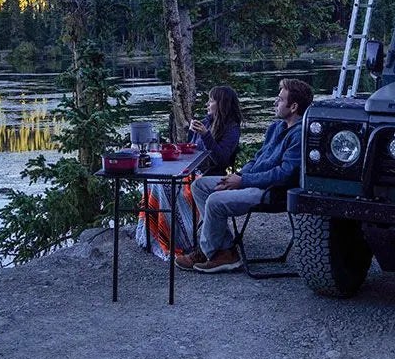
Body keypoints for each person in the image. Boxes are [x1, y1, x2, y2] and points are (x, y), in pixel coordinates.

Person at [175, 78, 313, 274]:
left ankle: (208, 252)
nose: (275, 102)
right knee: (200, 186)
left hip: (271, 191)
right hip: (250, 181)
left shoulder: (299, 135)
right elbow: (256, 160)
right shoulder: (276, 128)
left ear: (293, 107)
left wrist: (242, 181)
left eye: (280, 99)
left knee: (214, 200)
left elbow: (284, 175)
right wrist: (238, 176)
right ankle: (225, 250)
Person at [134, 85, 242, 260]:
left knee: (167, 187)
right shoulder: (207, 121)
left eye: (211, 100)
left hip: (212, 175)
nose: (207, 104)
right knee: (156, 182)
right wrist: (192, 134)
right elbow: (193, 150)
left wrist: (206, 135)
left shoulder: (232, 129)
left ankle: (180, 240)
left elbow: (221, 159)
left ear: (221, 104)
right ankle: (154, 235)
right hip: (194, 171)